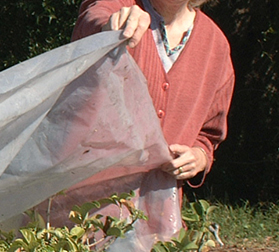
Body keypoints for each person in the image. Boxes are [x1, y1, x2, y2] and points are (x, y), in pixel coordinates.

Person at [74, 0, 233, 188]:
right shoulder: (119, 5)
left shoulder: (216, 46)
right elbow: (92, 21)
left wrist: (199, 156)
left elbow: (208, 134)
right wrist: (111, 28)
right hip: (85, 201)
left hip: (156, 205)